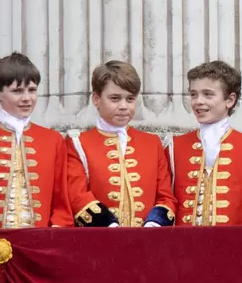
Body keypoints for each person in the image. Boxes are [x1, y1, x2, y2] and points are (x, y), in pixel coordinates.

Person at [0, 52, 73, 229]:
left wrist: (57, 232)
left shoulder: (53, 140)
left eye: (32, 90)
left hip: (39, 244)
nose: (27, 98)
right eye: (17, 91)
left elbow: (61, 199)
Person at [166, 60, 242, 226]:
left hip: (234, 246)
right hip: (183, 247)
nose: (198, 101)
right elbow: (164, 199)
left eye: (208, 94)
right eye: (193, 94)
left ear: (230, 100)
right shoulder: (174, 147)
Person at [66, 61, 177, 227]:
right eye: (115, 99)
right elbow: (77, 195)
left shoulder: (152, 143)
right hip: (99, 241)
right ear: (96, 99)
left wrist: (154, 225)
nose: (124, 106)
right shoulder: (78, 143)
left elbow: (166, 197)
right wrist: (111, 227)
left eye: (130, 99)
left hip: (147, 243)